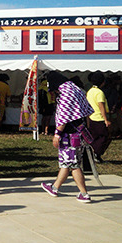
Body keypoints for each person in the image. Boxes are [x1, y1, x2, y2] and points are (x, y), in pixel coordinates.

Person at [41, 71, 94, 203]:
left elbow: (63, 119)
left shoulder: (65, 95)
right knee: (66, 163)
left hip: (68, 136)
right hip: (79, 134)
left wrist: (57, 135)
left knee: (74, 165)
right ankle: (54, 188)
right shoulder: (76, 90)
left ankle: (84, 193)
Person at [86, 72, 111, 163]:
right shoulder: (99, 92)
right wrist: (106, 119)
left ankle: (95, 155)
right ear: (102, 82)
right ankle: (96, 154)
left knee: (94, 137)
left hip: (91, 117)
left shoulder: (90, 91)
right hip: (99, 118)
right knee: (104, 137)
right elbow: (101, 106)